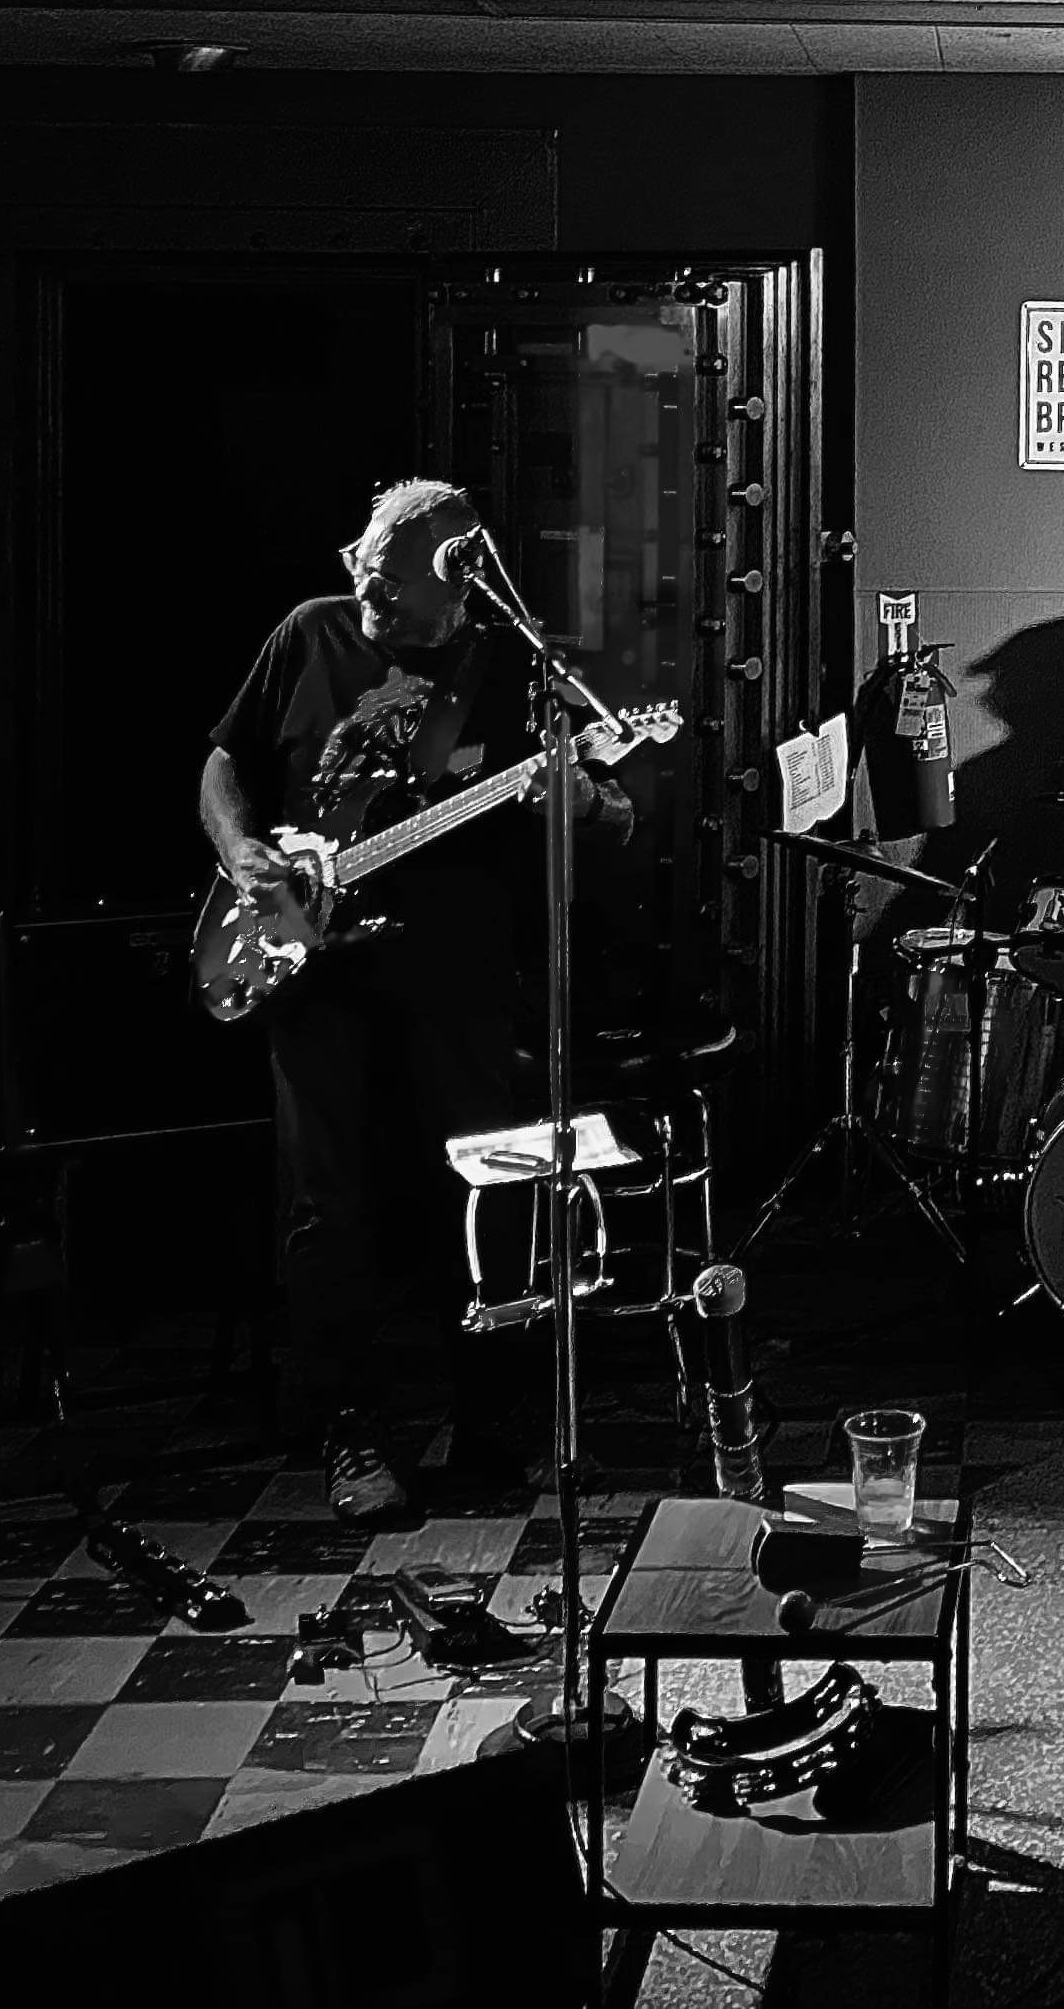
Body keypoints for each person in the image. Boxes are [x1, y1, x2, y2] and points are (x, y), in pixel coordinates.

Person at [201, 480, 628, 1526]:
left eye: (393, 590)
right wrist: (243, 849)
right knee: (326, 1205)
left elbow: (615, 814)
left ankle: (495, 1417)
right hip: (314, 971)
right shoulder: (309, 633)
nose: (372, 602)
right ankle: (346, 1428)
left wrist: (579, 796)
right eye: (366, 578)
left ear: (457, 583)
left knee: (484, 1190)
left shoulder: (510, 665)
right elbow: (222, 763)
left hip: (455, 974)